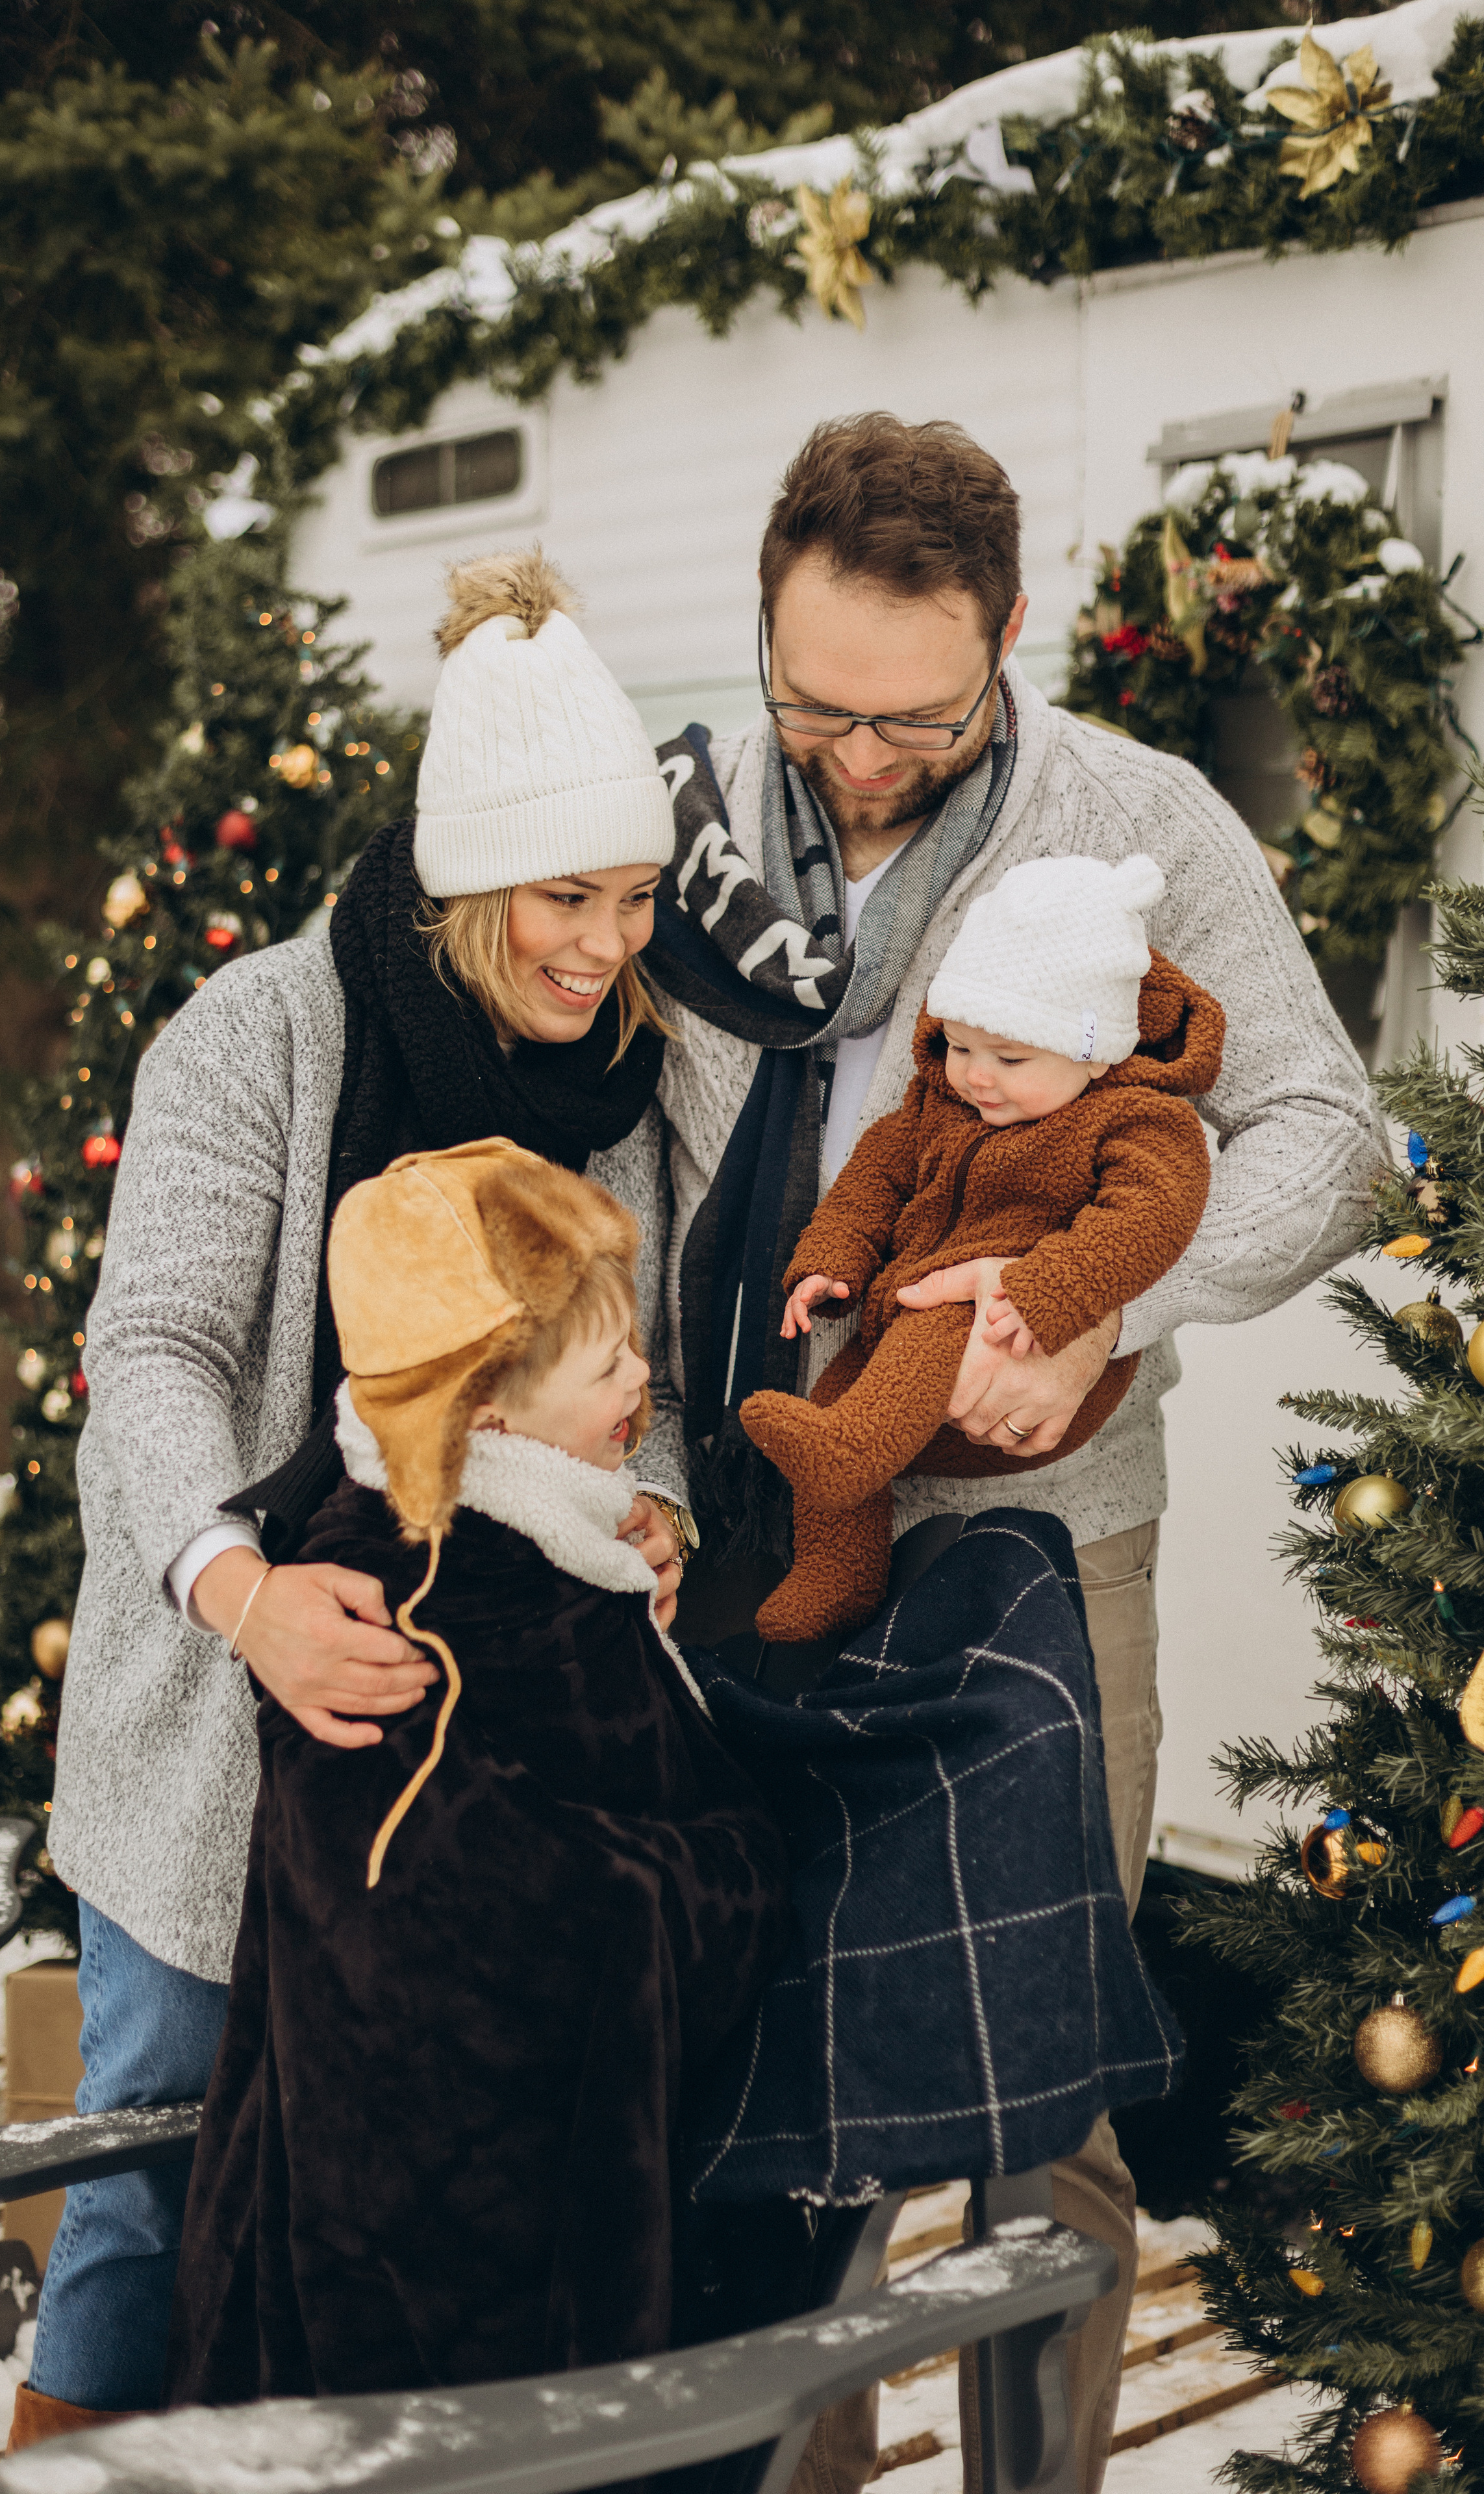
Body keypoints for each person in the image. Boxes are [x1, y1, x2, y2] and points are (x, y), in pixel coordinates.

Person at [635, 414, 1382, 2494]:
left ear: (1012, 638)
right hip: (745, 1519)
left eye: (912, 713)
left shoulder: (1132, 820)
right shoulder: (688, 837)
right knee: (770, 2062)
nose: (857, 756)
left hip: (1044, 1546)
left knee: (1026, 2086)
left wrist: (1103, 1309)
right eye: (815, 704)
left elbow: (1321, 1130)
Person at [8, 549, 690, 2454]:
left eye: (633, 898)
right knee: (147, 2182)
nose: (602, 944)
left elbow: (652, 1373)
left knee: (434, 2197)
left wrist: (645, 1507)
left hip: (489, 1760)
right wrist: (239, 1591)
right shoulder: (260, 1037)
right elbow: (143, 1354)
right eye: (566, 896)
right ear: (468, 882)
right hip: (224, 1732)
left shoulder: (637, 1077)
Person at [166, 1139, 788, 2404]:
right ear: (485, 1405)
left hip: (514, 2184)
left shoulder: (535, 1539)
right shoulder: (423, 1599)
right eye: (603, 1354)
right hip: (442, 2259)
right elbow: (483, 1904)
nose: (640, 1378)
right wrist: (738, 1865)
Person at [742, 854, 1225, 1641]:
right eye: (960, 1046)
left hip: (1019, 1328)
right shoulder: (941, 1103)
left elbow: (1154, 1213)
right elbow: (877, 1175)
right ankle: (838, 1574)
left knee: (935, 1329)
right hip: (908, 1331)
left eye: (1010, 1059)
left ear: (1094, 1053)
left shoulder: (1135, 1121)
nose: (976, 1077)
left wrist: (1050, 1291)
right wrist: (832, 1260)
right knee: (838, 1391)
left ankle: (847, 1449)